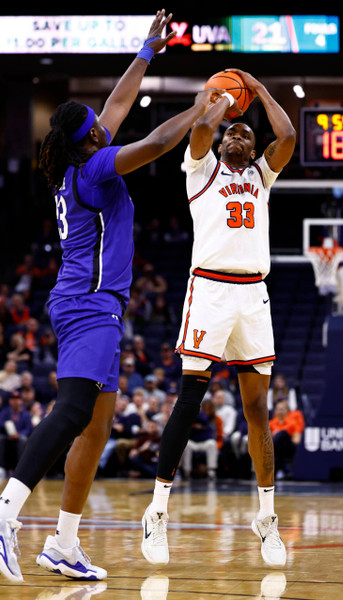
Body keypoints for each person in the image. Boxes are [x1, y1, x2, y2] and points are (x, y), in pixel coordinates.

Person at [0, 9, 221, 584]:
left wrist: (147, 51)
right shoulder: (98, 167)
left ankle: (63, 544)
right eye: (98, 123)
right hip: (89, 303)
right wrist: (200, 110)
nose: (106, 121)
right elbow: (155, 141)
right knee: (74, 411)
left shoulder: (79, 161)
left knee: (97, 426)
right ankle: (6, 511)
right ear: (92, 137)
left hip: (92, 303)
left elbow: (119, 106)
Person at [141, 68, 296, 568]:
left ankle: (266, 518)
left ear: (253, 149)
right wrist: (222, 99)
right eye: (232, 132)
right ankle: (157, 512)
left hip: (253, 296)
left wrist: (259, 88)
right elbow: (203, 128)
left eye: (245, 134)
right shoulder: (201, 168)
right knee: (190, 402)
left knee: (257, 410)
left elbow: (288, 137)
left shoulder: (261, 176)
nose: (236, 136)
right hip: (209, 290)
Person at [269, 398, 305, 480]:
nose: (280, 411)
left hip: (288, 449)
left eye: (282, 409)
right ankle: (280, 469)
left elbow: (297, 440)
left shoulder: (293, 423)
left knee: (282, 434)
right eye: (278, 409)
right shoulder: (270, 424)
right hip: (274, 451)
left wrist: (281, 437)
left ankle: (279, 468)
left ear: (287, 411)